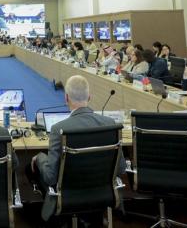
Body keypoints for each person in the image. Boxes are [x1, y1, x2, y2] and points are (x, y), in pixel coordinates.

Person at [30, 76, 125, 221]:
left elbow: (50, 177)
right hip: (103, 193)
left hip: (68, 196)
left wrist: (39, 158)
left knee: (32, 167)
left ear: (66, 98)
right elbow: (121, 168)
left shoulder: (58, 129)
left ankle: (58, 218)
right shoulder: (110, 124)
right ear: (90, 97)